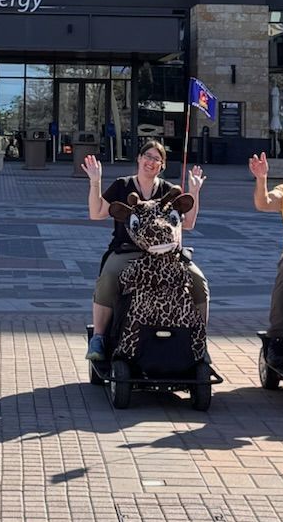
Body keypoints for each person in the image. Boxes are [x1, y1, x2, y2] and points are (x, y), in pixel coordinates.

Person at [83, 139, 206, 362]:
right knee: (109, 278)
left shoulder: (168, 190)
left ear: (162, 165)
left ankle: (199, 338)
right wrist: (95, 181)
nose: (151, 162)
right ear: (139, 159)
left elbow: (188, 224)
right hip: (128, 252)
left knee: (198, 280)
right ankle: (99, 338)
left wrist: (195, 192)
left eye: (157, 159)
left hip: (164, 253)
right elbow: (96, 212)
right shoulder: (122, 185)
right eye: (147, 156)